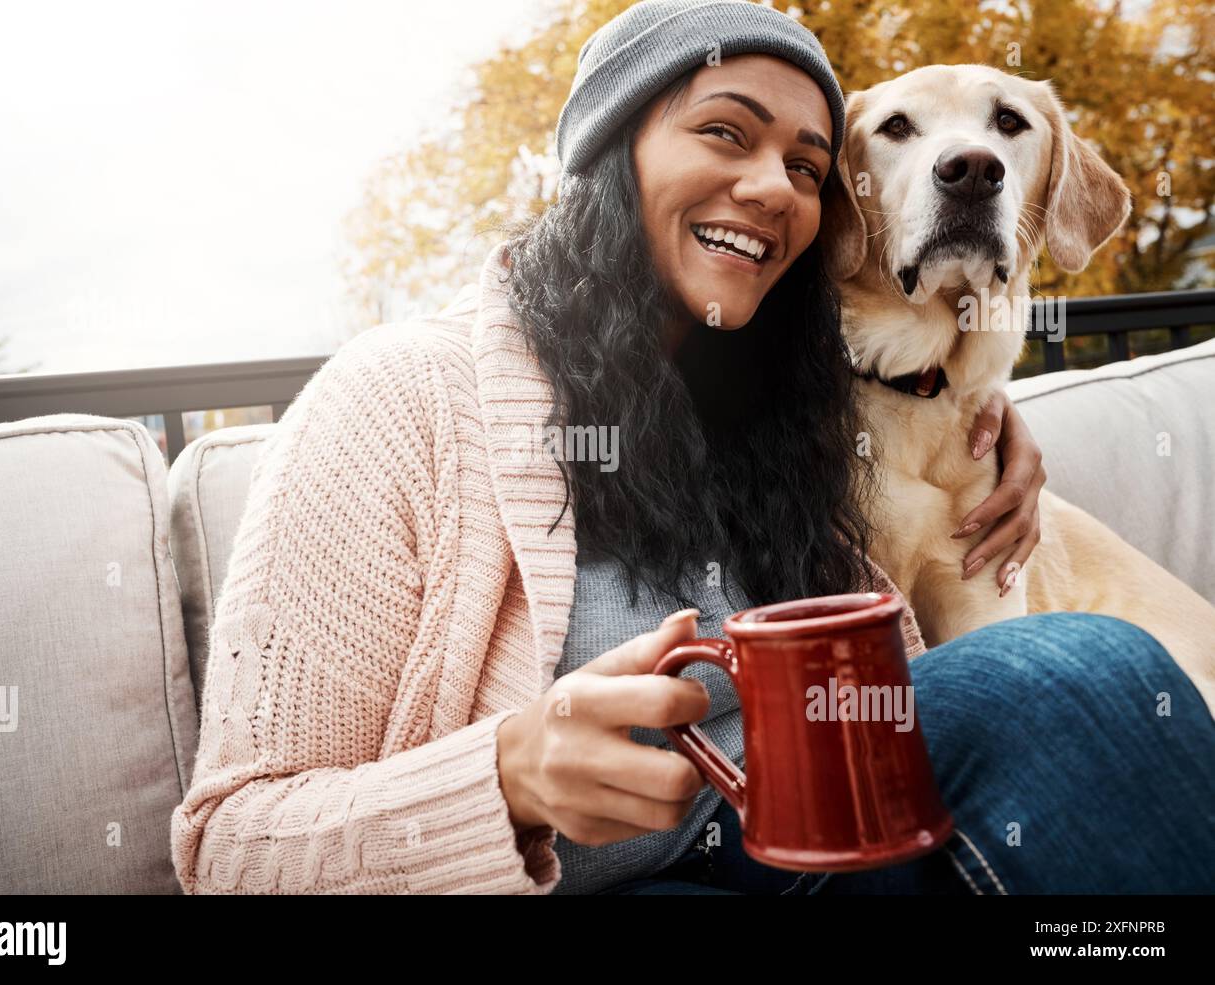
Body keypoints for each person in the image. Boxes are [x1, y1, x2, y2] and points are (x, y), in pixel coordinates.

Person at [169, 0, 1215, 895]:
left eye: (808, 168)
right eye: (725, 133)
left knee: (1071, 681)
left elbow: (911, 390)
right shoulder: (395, 397)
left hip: (816, 846)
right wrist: (507, 777)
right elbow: (227, 846)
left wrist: (987, 426)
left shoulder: (790, 405)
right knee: (1066, 674)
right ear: (610, 154)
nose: (772, 186)